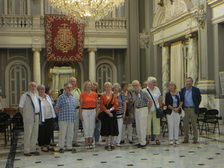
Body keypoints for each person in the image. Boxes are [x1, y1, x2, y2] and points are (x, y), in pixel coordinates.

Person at [19, 81, 40, 156]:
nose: (34, 87)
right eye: (32, 86)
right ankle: (26, 151)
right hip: (28, 117)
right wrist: (25, 116)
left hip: (36, 116)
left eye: (35, 86)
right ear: (29, 87)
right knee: (28, 134)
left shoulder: (36, 95)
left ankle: (33, 149)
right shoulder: (24, 95)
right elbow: (20, 108)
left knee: (35, 133)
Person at [56, 83, 76, 153]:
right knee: (62, 134)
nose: (69, 89)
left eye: (70, 88)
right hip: (63, 119)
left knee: (70, 133)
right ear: (65, 88)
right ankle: (61, 147)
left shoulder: (72, 97)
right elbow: (57, 108)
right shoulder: (61, 97)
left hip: (71, 118)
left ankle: (69, 146)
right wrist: (60, 116)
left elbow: (73, 107)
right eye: (68, 87)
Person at [98, 82, 119, 151]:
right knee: (106, 128)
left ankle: (112, 143)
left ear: (111, 88)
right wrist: (107, 111)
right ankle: (107, 144)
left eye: (109, 87)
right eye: (106, 87)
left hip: (112, 113)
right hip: (105, 114)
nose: (108, 88)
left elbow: (116, 104)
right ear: (104, 88)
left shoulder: (114, 96)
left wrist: (110, 110)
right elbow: (101, 105)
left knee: (112, 128)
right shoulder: (102, 96)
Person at [181, 77, 201, 144]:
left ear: (192, 82)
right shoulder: (183, 90)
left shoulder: (196, 90)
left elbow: (199, 99)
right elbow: (181, 100)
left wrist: (195, 106)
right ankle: (186, 139)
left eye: (189, 81)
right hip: (185, 109)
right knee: (185, 125)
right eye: (187, 81)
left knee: (194, 125)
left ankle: (195, 139)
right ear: (185, 82)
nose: (188, 83)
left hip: (193, 109)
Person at [143, 76, 163, 145]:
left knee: (156, 124)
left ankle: (156, 138)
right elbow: (144, 101)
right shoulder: (144, 90)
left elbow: (160, 98)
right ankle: (147, 138)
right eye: (153, 82)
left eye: (155, 82)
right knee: (147, 124)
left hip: (156, 109)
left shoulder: (157, 89)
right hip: (147, 110)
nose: (155, 83)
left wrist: (160, 107)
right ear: (149, 83)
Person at [132, 80, 151, 148]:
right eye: (133, 85)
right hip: (137, 109)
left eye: (136, 85)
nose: (135, 87)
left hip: (143, 109)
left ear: (139, 85)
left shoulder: (144, 92)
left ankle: (143, 142)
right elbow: (134, 103)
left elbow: (149, 101)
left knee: (142, 127)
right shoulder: (133, 93)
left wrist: (147, 110)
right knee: (138, 127)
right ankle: (140, 141)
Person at [80, 81, 98, 149]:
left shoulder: (94, 94)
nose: (89, 86)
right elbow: (81, 105)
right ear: (85, 86)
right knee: (86, 126)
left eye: (90, 85)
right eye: (87, 85)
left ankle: (91, 140)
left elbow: (96, 104)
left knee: (92, 126)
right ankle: (86, 140)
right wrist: (80, 114)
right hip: (85, 111)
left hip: (93, 111)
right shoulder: (82, 94)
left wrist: (97, 113)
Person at [37, 85, 56, 152]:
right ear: (38, 90)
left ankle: (47, 144)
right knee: (42, 132)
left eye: (43, 89)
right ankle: (42, 145)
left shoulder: (48, 96)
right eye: (40, 89)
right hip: (42, 117)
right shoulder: (37, 98)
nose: (42, 90)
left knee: (49, 131)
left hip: (50, 116)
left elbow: (52, 104)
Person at [69, 77, 81, 147]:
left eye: (74, 81)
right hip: (70, 110)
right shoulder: (67, 90)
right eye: (72, 81)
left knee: (76, 126)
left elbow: (81, 100)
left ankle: (74, 141)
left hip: (77, 110)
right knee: (70, 126)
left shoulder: (78, 90)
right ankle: (69, 141)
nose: (73, 83)